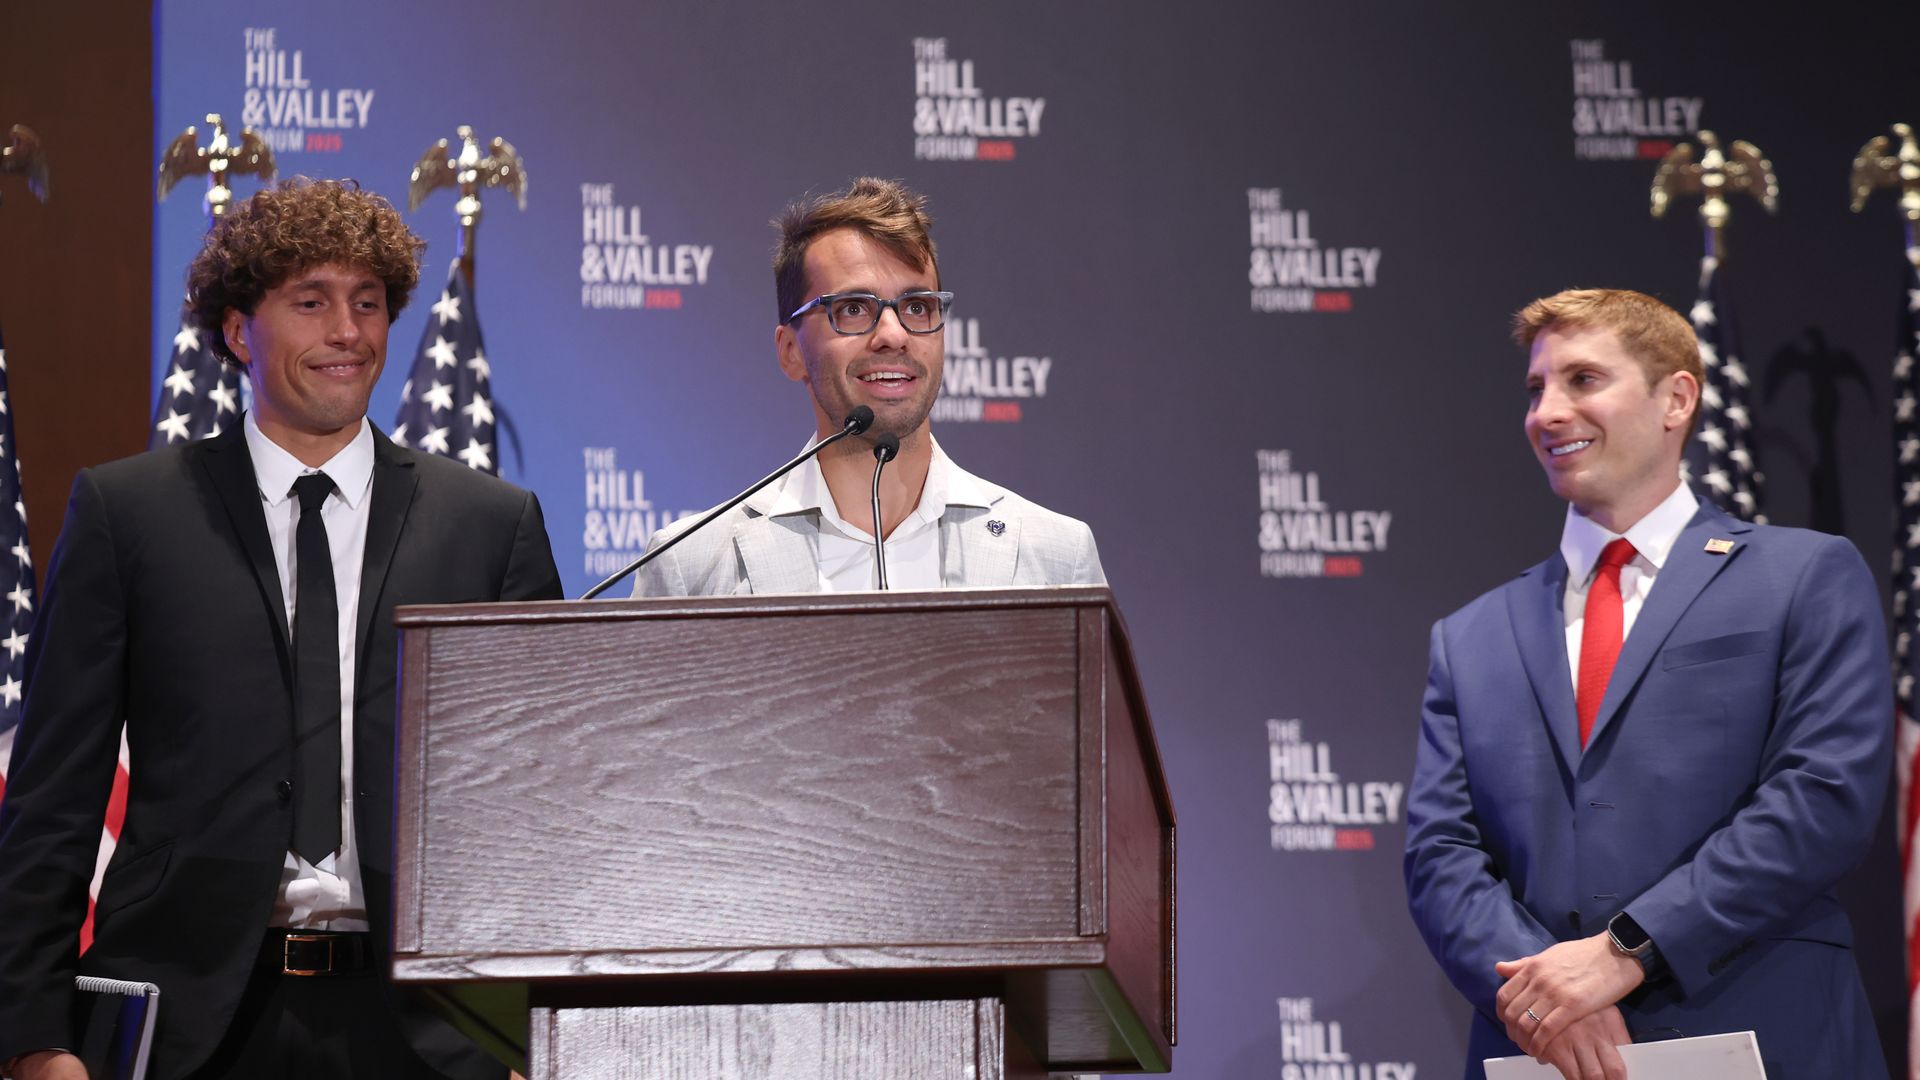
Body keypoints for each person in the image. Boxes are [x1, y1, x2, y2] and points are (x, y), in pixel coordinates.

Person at [0, 178, 562, 1080]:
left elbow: (543, 799)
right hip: (191, 1027)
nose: (348, 331)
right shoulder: (130, 513)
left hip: (431, 1035)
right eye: (311, 302)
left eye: (368, 303)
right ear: (236, 330)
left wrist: (539, 1023)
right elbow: (52, 799)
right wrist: (34, 1035)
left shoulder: (492, 525)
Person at [1402, 288, 1891, 1080]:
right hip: (1541, 1053)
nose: (1548, 412)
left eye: (1583, 380)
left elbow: (1823, 797)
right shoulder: (1470, 636)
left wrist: (1630, 949)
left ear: (1677, 399)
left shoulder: (1804, 575)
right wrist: (1545, 999)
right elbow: (1440, 854)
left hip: (1766, 1035)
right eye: (1536, 389)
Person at [632, 176, 1103, 596]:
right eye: (854, 308)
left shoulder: (1056, 557)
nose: (894, 335)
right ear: (790, 350)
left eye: (917, 307)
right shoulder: (689, 567)